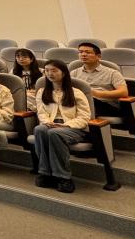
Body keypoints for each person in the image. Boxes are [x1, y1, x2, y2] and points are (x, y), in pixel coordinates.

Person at [33, 60, 91, 194]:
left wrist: (65, 125)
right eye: (47, 70)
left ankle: (63, 177)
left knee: (55, 133)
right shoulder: (42, 91)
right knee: (39, 129)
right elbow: (41, 113)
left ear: (63, 73)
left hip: (73, 128)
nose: (50, 73)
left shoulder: (76, 92)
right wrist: (47, 122)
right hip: (50, 125)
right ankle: (45, 173)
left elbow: (84, 117)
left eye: (54, 70)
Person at [73, 42, 128, 117]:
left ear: (98, 56)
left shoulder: (112, 73)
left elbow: (123, 92)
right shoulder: (74, 73)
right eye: (80, 52)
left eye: (88, 52)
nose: (83, 54)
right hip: (81, 103)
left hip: (105, 105)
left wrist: (95, 93)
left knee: (87, 101)